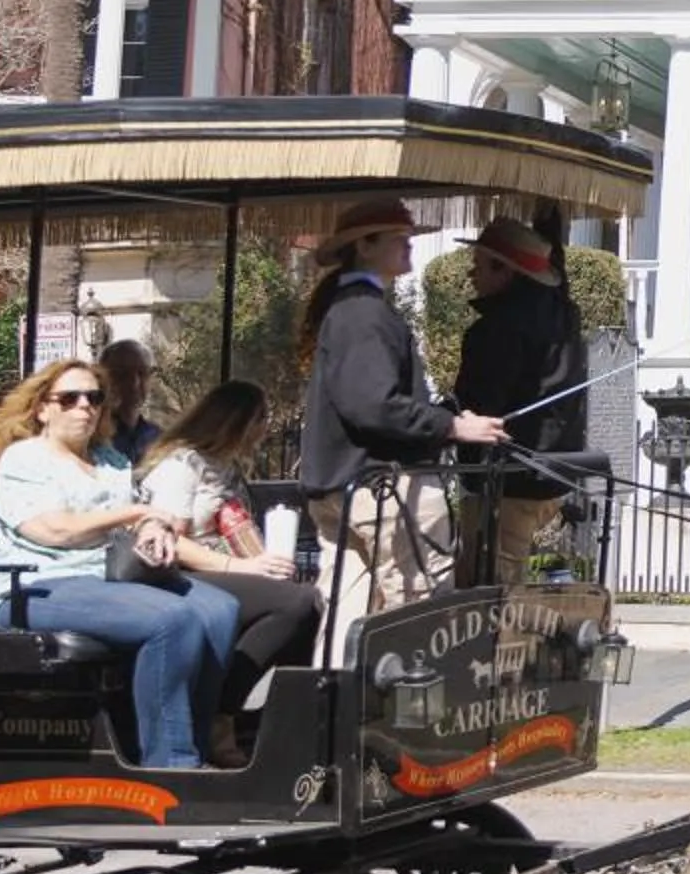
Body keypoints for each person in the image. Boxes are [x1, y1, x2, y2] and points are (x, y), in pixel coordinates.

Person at [0, 358, 240, 770]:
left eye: (94, 398)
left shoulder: (111, 461)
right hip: (40, 584)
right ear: (43, 408)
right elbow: (55, 530)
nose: (84, 406)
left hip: (109, 578)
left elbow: (139, 516)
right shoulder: (24, 459)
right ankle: (170, 764)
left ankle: (195, 742)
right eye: (69, 398)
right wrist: (134, 514)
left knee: (220, 611)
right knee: (173, 619)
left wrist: (152, 526)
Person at [296, 198, 508, 628]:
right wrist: (452, 426)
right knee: (416, 616)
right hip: (382, 486)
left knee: (348, 613)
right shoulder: (363, 313)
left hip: (350, 484)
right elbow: (373, 405)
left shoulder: (352, 309)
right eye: (399, 238)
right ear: (365, 245)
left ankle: (338, 675)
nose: (409, 244)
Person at [140, 380, 323, 744]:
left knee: (311, 606)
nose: (266, 428)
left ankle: (273, 719)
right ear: (235, 422)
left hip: (228, 569)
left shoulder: (227, 467)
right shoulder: (183, 465)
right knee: (298, 603)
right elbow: (170, 541)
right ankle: (220, 712)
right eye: (260, 418)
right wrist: (240, 568)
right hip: (181, 574)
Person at [450, 216, 589, 588]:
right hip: (554, 476)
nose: (471, 275)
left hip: (509, 483)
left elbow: (480, 403)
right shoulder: (565, 317)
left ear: (505, 270)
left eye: (479, 265)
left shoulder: (496, 329)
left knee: (491, 589)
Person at [100, 338, 161, 462]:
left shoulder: (158, 439)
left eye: (142, 373)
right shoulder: (91, 437)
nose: (134, 383)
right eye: (123, 374)